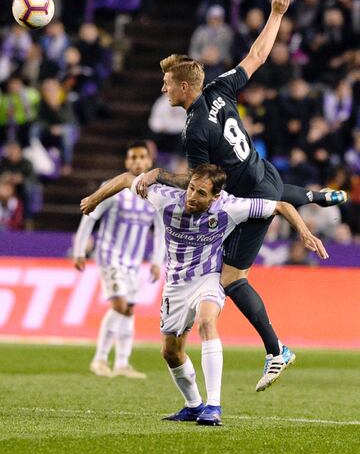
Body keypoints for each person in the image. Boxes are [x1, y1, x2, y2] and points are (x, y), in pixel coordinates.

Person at [79, 0, 345, 392]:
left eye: (168, 84)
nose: (164, 89)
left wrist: (156, 175)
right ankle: (313, 195)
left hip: (252, 190)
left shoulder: (194, 130)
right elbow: (256, 56)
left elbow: (197, 183)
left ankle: (277, 351)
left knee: (232, 278)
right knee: (271, 197)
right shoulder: (220, 87)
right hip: (264, 172)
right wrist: (275, 15)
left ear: (185, 87)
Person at [80, 163, 328, 425]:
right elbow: (126, 179)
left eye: (201, 193)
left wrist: (304, 233)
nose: (192, 197)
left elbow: (281, 205)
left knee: (207, 320)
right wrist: (95, 200)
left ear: (215, 196)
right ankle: (193, 405)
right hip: (175, 285)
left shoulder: (230, 206)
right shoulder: (166, 198)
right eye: (191, 188)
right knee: (170, 352)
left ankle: (213, 406)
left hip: (208, 278)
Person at [73, 141, 165, 379]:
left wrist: (157, 261)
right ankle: (100, 359)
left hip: (135, 262)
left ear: (149, 161)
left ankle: (122, 363)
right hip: (110, 256)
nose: (136, 161)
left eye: (141, 157)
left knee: (129, 309)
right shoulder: (112, 189)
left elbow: (160, 229)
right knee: (119, 305)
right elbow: (89, 217)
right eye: (132, 157)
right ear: (126, 162)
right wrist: (79, 250)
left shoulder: (154, 192)